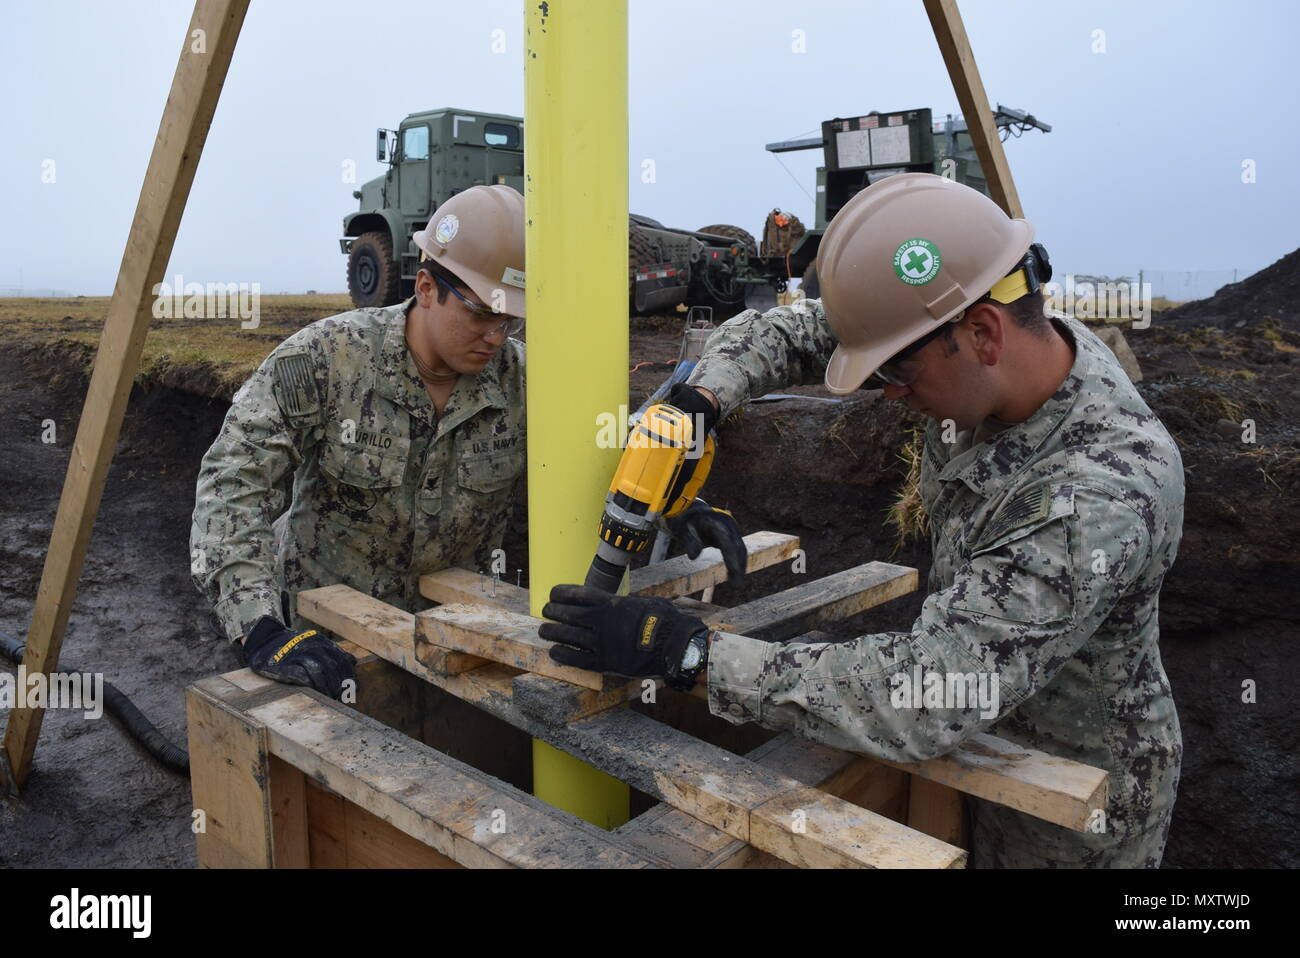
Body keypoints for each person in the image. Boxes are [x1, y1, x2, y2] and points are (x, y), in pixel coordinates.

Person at [540, 172, 1184, 868]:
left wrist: (691, 655)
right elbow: (788, 328)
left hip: (1072, 809)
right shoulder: (969, 342)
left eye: (898, 376)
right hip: (978, 757)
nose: (892, 396)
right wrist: (701, 397)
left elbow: (932, 693)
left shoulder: (1098, 495)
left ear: (985, 334)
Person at [190, 185, 527, 699]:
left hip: (462, 650)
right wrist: (258, 626)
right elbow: (235, 480)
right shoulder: (327, 358)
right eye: (482, 313)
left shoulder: (526, 384)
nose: (497, 336)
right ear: (426, 287)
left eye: (511, 319)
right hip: (323, 649)